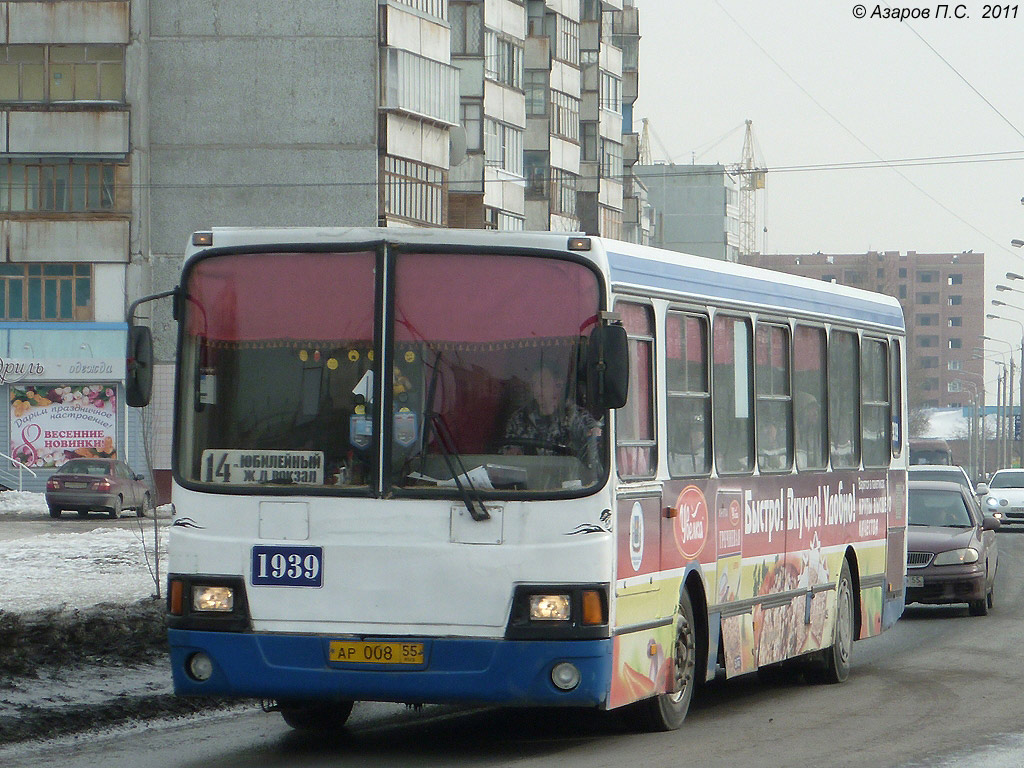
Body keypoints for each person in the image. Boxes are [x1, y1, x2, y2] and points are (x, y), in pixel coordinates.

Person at [499, 362, 602, 478]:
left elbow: (593, 443)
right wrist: (511, 454)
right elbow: (505, 456)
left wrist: (593, 434)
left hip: (569, 488)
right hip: (528, 488)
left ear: (558, 385)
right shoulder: (519, 419)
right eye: (534, 385)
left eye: (542, 384)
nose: (537, 390)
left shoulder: (577, 416)